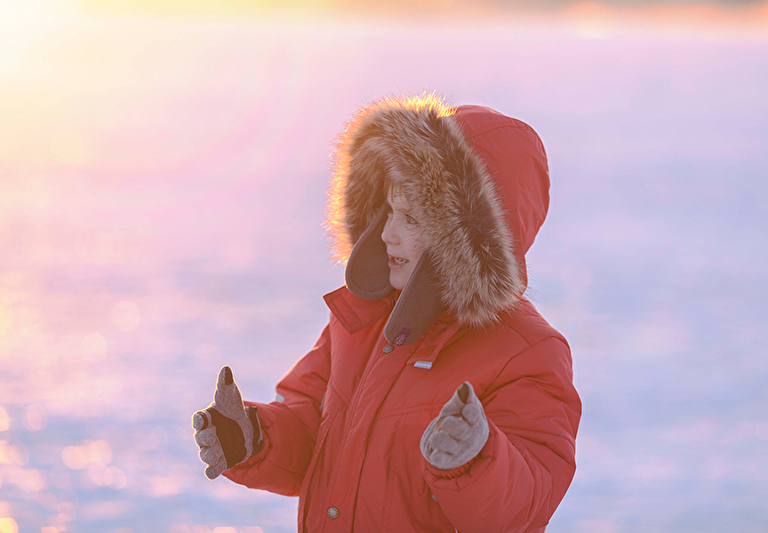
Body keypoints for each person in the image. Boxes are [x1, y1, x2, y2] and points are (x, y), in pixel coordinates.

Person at [192, 94, 582, 532]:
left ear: (468, 236)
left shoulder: (527, 352)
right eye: (390, 211)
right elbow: (315, 425)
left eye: (412, 219)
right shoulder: (363, 318)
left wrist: (473, 459)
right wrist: (254, 436)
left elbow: (524, 503)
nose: (388, 234)